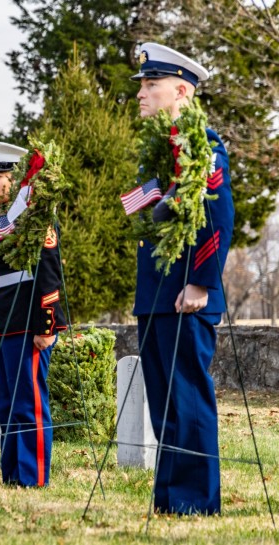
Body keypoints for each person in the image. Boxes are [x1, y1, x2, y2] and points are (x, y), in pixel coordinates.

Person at [131, 43, 234, 514]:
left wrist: (200, 281)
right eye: (142, 85)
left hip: (185, 295)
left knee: (188, 400)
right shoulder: (158, 156)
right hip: (156, 295)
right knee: (165, 405)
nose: (141, 94)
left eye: (151, 85)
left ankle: (194, 501)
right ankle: (171, 499)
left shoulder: (203, 147)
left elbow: (218, 215)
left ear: (182, 91)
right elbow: (146, 218)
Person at [0, 141, 67, 487]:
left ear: (16, 182)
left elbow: (49, 270)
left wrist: (47, 323)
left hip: (26, 320)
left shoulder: (36, 218)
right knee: (7, 403)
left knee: (29, 403)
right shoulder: (0, 220)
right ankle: (14, 474)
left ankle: (33, 477)